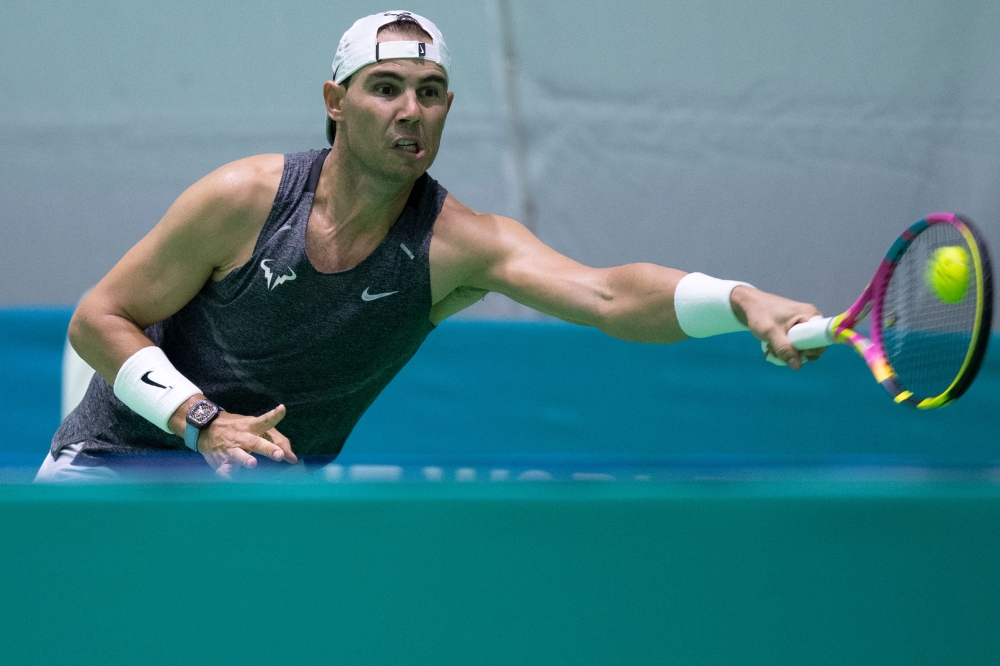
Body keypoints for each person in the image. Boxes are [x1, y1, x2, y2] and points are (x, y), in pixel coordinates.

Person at [37, 11, 822, 482]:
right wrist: (203, 420)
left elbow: (610, 295)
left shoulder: (459, 245)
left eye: (431, 92)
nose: (411, 110)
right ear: (335, 103)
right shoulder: (244, 199)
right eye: (385, 88)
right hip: (114, 465)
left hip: (262, 498)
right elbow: (97, 319)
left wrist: (740, 299)